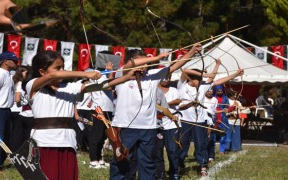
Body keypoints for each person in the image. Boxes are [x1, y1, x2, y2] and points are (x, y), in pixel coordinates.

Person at [25, 50, 137, 179]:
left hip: (66, 141)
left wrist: (126, 77)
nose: (62, 70)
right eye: (58, 67)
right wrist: (85, 73)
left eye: (63, 67)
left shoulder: (69, 87)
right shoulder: (33, 86)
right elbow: (52, 76)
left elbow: (102, 86)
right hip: (44, 143)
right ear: (42, 72)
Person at [110, 43, 202, 180]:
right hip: (125, 127)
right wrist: (156, 58)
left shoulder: (152, 75)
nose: (144, 66)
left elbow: (175, 65)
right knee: (122, 162)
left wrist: (192, 52)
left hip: (148, 128)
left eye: (146, 63)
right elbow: (132, 63)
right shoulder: (122, 74)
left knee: (148, 164)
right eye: (142, 62)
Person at [177, 59, 243, 176]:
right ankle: (178, 164)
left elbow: (217, 81)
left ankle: (203, 165)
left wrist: (235, 74)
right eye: (199, 78)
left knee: (201, 144)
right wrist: (205, 74)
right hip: (185, 121)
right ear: (191, 78)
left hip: (200, 121)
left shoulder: (202, 87)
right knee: (183, 144)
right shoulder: (181, 85)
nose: (202, 81)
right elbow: (185, 70)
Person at [156, 78, 181, 180]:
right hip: (157, 124)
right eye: (164, 77)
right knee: (158, 151)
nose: (166, 79)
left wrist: (163, 105)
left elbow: (178, 100)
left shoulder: (174, 90)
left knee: (172, 150)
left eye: (168, 77)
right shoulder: (154, 89)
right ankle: (160, 174)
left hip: (172, 124)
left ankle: (174, 172)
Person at [10, 66, 28, 152]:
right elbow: (17, 98)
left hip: (11, 109)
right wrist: (23, 103)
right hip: (17, 110)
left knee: (12, 131)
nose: (27, 75)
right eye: (25, 73)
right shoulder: (20, 83)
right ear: (21, 73)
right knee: (17, 132)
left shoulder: (14, 82)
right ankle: (15, 150)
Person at [203, 88, 218, 163]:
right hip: (202, 121)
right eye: (208, 90)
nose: (210, 92)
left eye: (211, 90)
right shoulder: (201, 98)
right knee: (202, 139)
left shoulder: (215, 100)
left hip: (210, 121)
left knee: (210, 138)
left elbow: (214, 111)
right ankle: (201, 155)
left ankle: (211, 156)